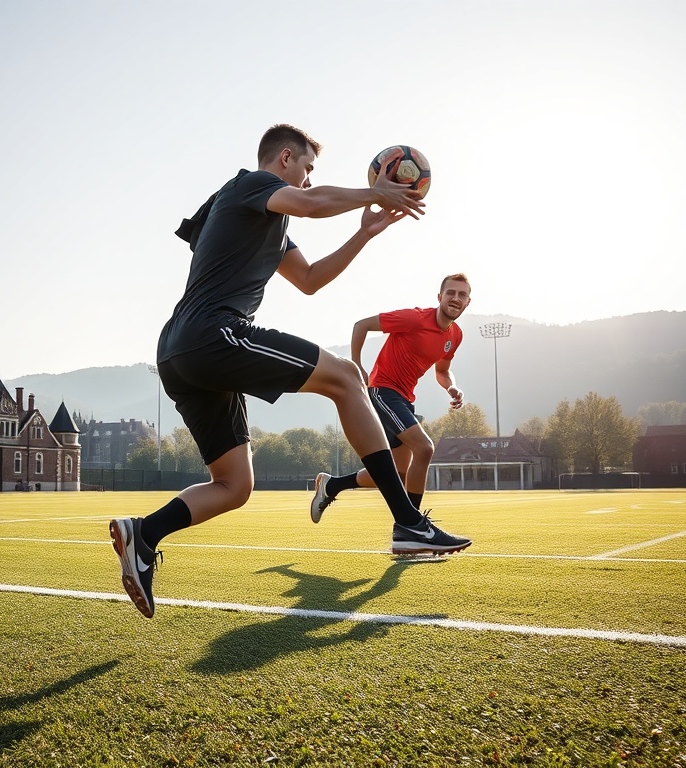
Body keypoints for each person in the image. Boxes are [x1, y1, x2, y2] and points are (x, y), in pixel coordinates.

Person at [109, 124, 471, 619]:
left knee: (234, 485)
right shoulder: (249, 185)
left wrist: (362, 233)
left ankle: (143, 534)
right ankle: (408, 522)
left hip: (180, 353)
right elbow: (312, 203)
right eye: (306, 168)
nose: (306, 179)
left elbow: (309, 280)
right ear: (284, 158)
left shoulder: (268, 221)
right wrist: (374, 190)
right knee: (346, 376)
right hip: (211, 334)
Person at [309, 273, 473, 541]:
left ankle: (332, 485)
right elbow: (361, 325)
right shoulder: (414, 318)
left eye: (462, 295)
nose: (456, 298)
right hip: (382, 391)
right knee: (424, 448)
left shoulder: (454, 335)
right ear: (440, 297)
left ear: (468, 302)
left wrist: (451, 386)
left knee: (395, 474)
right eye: (451, 293)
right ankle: (413, 528)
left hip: (405, 399)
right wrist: (356, 366)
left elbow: (443, 371)